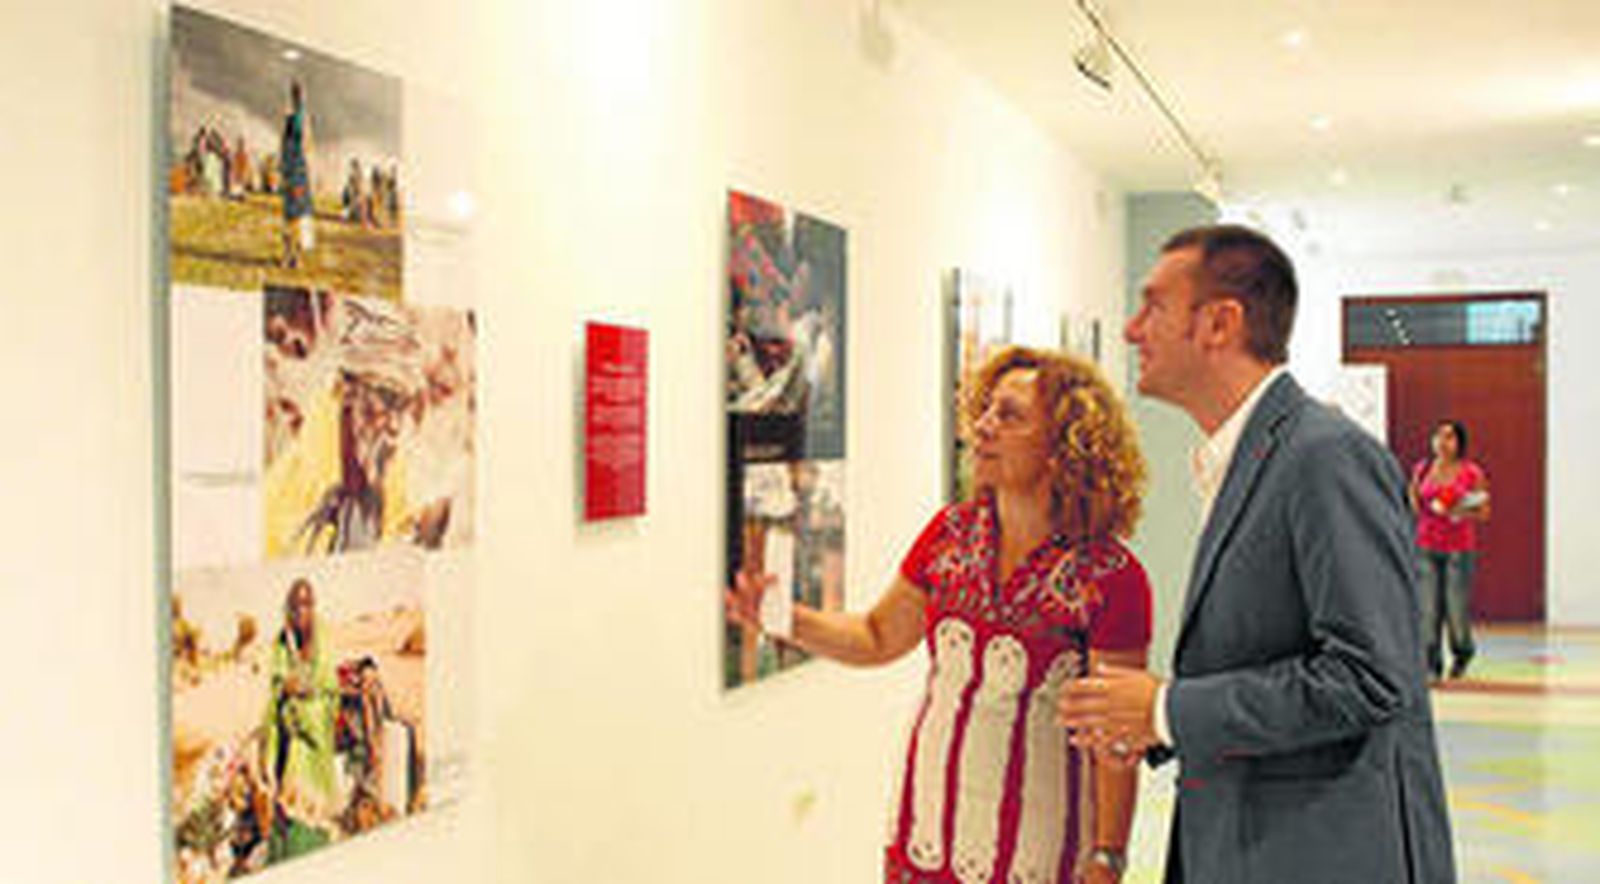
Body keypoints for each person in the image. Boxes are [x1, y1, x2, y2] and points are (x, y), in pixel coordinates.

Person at [1058, 225, 1455, 882]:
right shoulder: (1253, 457)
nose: (1131, 330)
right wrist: (1156, 726)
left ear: (1220, 323)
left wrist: (1166, 709)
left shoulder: (1323, 458)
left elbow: (1371, 678)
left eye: (1153, 305)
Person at [728, 345, 1153, 883]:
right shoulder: (949, 534)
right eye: (986, 410)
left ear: (1062, 447)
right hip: (926, 836)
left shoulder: (1111, 577)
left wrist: (1108, 858)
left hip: (1041, 853)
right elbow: (878, 636)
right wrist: (784, 618)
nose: (983, 427)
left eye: (1010, 416)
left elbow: (1116, 738)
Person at [1409, 419, 1490, 680]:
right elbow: (1413, 503)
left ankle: (1462, 653)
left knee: (1456, 610)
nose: (1442, 443)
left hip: (1459, 550)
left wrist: (1459, 511)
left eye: (1449, 437)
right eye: (1438, 436)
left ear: (1459, 443)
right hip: (1426, 548)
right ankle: (1430, 663)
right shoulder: (1422, 469)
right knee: (1428, 609)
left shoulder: (1471, 473)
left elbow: (1483, 511)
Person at [263, 577, 337, 860]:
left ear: (314, 607)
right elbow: (274, 691)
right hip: (286, 743)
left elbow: (329, 694)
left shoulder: (324, 641)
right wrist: (285, 691)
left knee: (310, 831)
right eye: (294, 606)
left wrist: (299, 703)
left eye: (306, 605)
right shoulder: (282, 644)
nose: (300, 612)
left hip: (313, 749)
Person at [279, 80, 314, 269]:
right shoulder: (291, 123)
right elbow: (285, 151)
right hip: (292, 175)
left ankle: (295, 256)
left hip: (298, 176)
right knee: (290, 220)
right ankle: (289, 255)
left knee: (298, 221)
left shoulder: (300, 120)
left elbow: (302, 142)